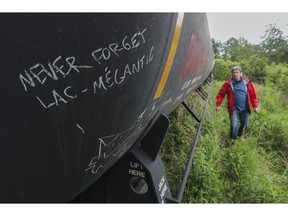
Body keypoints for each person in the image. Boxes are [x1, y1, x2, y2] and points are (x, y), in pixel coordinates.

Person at [215, 66, 258, 139]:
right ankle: (233, 141)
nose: (235, 74)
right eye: (233, 73)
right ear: (231, 74)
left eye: (237, 72)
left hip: (245, 109)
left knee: (245, 125)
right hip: (234, 109)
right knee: (234, 126)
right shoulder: (228, 84)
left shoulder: (247, 83)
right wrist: (218, 104)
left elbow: (253, 95)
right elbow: (221, 94)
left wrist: (255, 106)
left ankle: (239, 135)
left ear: (241, 74)